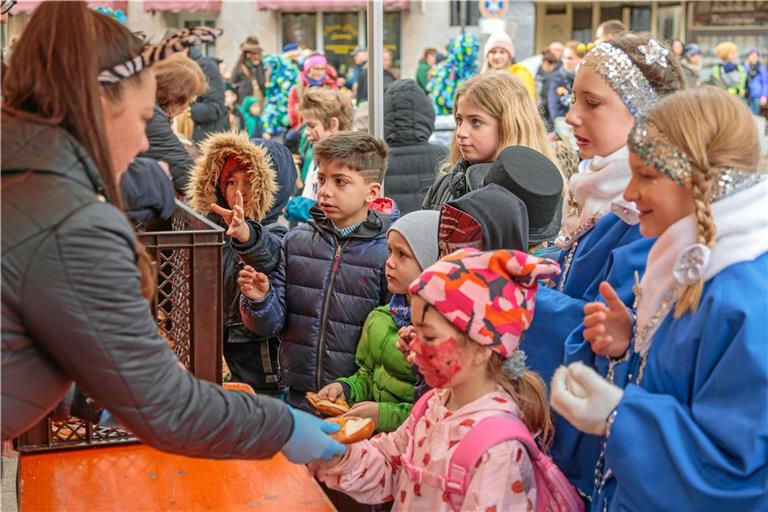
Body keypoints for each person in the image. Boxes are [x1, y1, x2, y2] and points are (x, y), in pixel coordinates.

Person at [1, 2, 344, 464]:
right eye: (144, 120)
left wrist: (84, 394)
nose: (146, 143)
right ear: (98, 104)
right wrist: (280, 426)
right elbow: (164, 404)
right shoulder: (73, 224)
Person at [552, 85, 768, 511]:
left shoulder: (744, 297)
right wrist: (626, 345)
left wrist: (620, 416)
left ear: (703, 181)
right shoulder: (689, 262)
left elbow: (737, 469)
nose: (630, 194)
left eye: (646, 176)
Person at [519, 34, 685, 502]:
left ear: (645, 114)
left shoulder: (645, 218)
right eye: (573, 99)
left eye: (592, 103)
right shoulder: (597, 193)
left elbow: (606, 333)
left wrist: (515, 291)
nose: (572, 116)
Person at [312, 248, 569, 511]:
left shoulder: (499, 454)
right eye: (414, 330)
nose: (412, 345)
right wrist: (337, 453)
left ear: (481, 349)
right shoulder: (432, 405)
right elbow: (390, 466)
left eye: (429, 337)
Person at [238, 131, 392, 411]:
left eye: (340, 182)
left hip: (357, 400)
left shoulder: (387, 252)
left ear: (371, 192)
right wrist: (260, 299)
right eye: (321, 179)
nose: (325, 191)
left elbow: (389, 338)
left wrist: (360, 389)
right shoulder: (297, 241)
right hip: (300, 396)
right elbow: (272, 325)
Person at [186, 131, 298, 395]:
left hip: (262, 363)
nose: (239, 192)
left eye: (250, 183)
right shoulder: (215, 233)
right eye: (231, 182)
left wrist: (246, 234)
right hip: (224, 354)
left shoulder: (280, 234)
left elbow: (268, 253)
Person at [315, 210, 440, 433]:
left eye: (402, 255)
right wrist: (346, 388)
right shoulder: (379, 318)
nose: (389, 263)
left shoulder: (438, 334)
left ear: (431, 262)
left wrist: (384, 416)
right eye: (390, 252)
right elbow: (367, 374)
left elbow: (436, 409)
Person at [422, 71, 563, 210]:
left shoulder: (537, 196)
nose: (460, 132)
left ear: (510, 125)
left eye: (476, 122)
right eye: (459, 120)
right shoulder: (445, 184)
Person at [138, 52, 207, 195]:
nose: (188, 107)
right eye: (189, 101)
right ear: (177, 96)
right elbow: (184, 171)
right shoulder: (151, 116)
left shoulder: (146, 102)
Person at [383, 79, 448, 215]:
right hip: (432, 231)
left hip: (390, 233)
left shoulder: (377, 160)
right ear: (427, 114)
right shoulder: (444, 156)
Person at [293, 88, 354, 218]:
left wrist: (291, 206)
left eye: (312, 126)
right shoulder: (318, 155)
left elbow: (329, 211)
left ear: (333, 124)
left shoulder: (345, 163)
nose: (306, 132)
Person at [187, 34, 230, 144]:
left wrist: (185, 109)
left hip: (205, 138)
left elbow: (215, 108)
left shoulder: (206, 66)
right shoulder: (176, 67)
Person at [287, 53, 338, 131]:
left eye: (322, 69)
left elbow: (336, 109)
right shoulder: (298, 88)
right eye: (316, 69)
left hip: (326, 128)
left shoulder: (330, 86)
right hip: (303, 128)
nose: (319, 72)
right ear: (308, 69)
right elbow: (292, 112)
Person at [482, 31, 535, 100]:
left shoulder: (520, 75)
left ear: (509, 56)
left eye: (502, 52)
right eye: (493, 52)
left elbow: (529, 103)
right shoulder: (483, 77)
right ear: (487, 56)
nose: (497, 56)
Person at [548, 40, 585, 127]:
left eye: (570, 58)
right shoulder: (557, 80)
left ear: (581, 59)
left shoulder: (588, 81)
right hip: (562, 130)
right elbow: (556, 114)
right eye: (564, 58)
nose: (565, 62)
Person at [230, 36, 266, 115]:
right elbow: (232, 84)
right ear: (247, 54)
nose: (257, 56)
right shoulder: (239, 67)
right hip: (243, 104)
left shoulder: (262, 66)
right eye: (253, 53)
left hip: (259, 104)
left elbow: (263, 83)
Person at [535, 49, 561, 131]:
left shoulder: (550, 79)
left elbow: (546, 101)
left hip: (550, 118)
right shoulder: (559, 74)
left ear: (546, 62)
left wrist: (537, 110)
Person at [743, 48, 768, 115]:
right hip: (745, 95)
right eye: (752, 56)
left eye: (756, 56)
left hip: (756, 96)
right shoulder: (743, 67)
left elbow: (765, 83)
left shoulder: (761, 68)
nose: (754, 58)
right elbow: (742, 77)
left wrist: (764, 96)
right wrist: (746, 66)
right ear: (748, 57)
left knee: (754, 115)